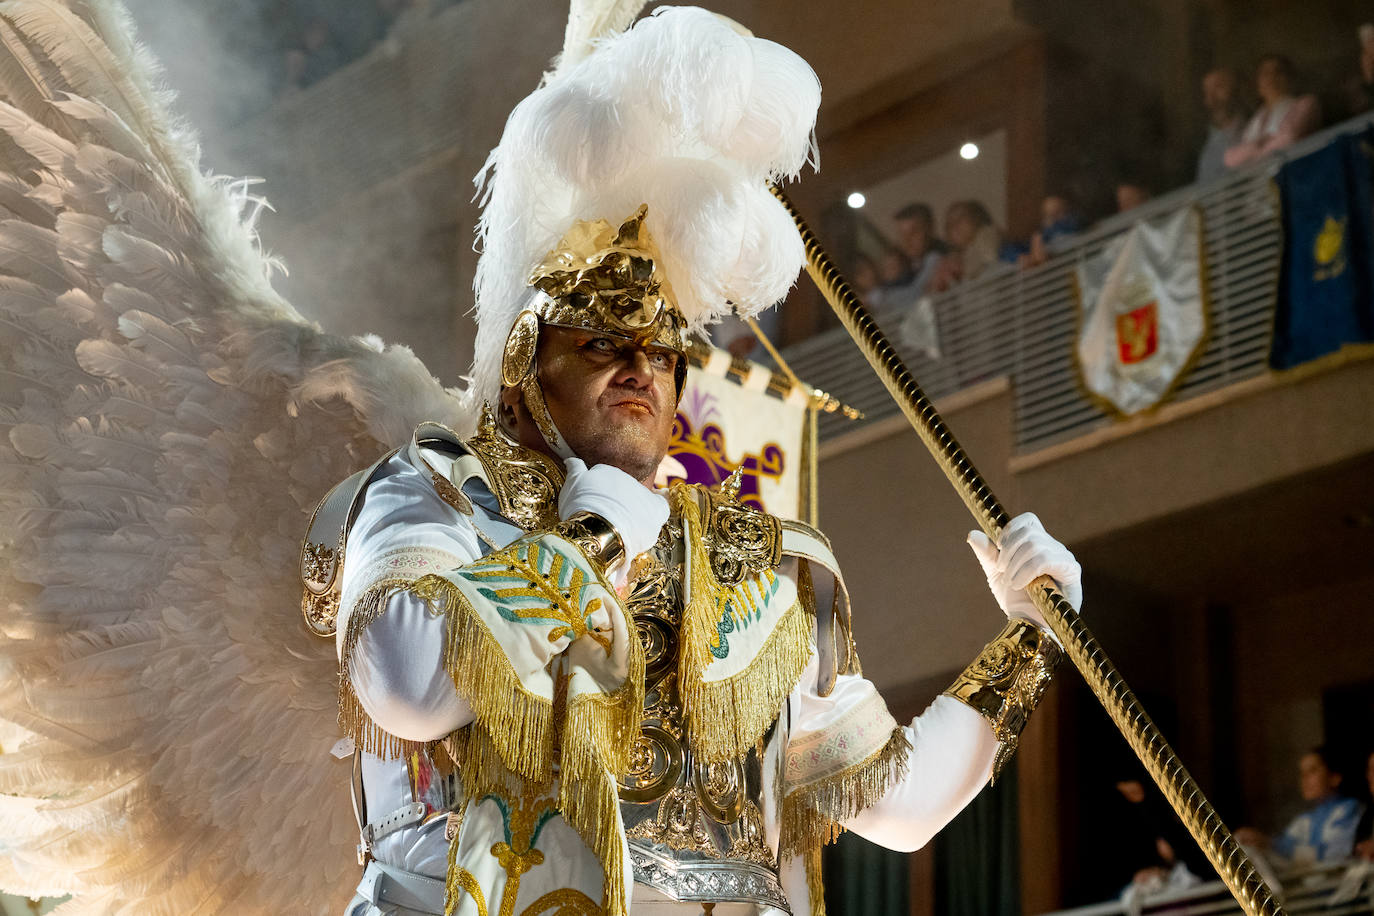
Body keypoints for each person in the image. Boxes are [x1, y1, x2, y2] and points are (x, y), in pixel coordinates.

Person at [315, 11, 1087, 916]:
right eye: (603, 342)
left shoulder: (752, 563)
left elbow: (903, 803)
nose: (639, 367)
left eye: (660, 351)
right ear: (526, 369)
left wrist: (1034, 636)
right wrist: (600, 531)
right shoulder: (438, 490)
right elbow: (407, 685)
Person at [1235, 746, 1365, 867]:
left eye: (1312, 771)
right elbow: (1284, 845)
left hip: (1334, 886)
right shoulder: (1305, 819)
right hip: (1304, 884)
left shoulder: (1349, 810)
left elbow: (1332, 856)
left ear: (1334, 777)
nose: (1304, 778)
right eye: (1302, 773)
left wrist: (1269, 843)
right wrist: (1260, 842)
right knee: (1244, 845)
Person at [1224, 55, 1321, 168]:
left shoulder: (1306, 103)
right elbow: (1230, 159)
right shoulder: (1255, 120)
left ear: (1290, 78)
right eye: (1265, 74)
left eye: (1278, 72)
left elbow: (1288, 138)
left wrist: (1252, 152)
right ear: (1257, 83)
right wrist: (1262, 143)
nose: (1271, 78)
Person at [932, 199, 1007, 291]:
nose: (954, 225)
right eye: (949, 224)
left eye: (961, 218)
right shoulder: (948, 262)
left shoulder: (994, 242)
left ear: (977, 218)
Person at [1196, 68, 1248, 184]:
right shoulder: (1201, 142)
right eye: (1207, 92)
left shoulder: (1254, 129)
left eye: (1218, 87)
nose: (1211, 99)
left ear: (1237, 90)